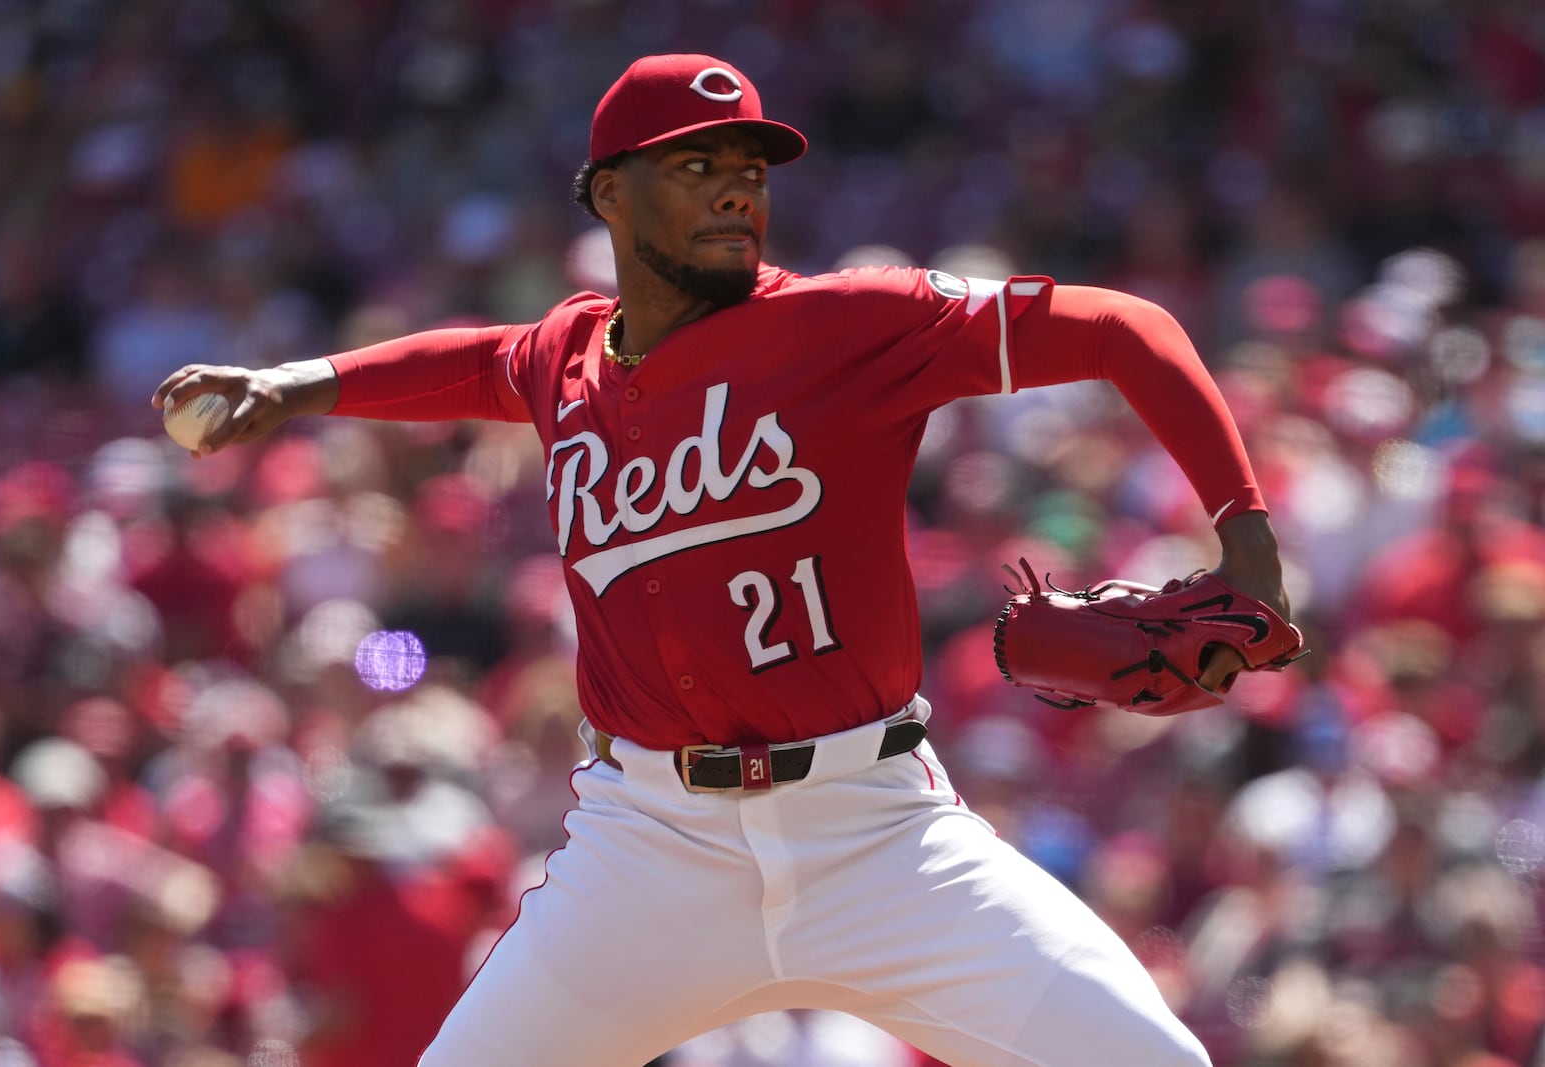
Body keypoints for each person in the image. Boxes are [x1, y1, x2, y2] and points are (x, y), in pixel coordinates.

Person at [153, 53, 1294, 1067]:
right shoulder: (568, 355)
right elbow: (478, 361)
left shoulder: (851, 325)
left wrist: (1245, 536)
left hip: (877, 829)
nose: (736, 184)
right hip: (648, 848)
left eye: (748, 162)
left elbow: (1123, 327)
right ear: (609, 191)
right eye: (695, 163)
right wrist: (296, 384)